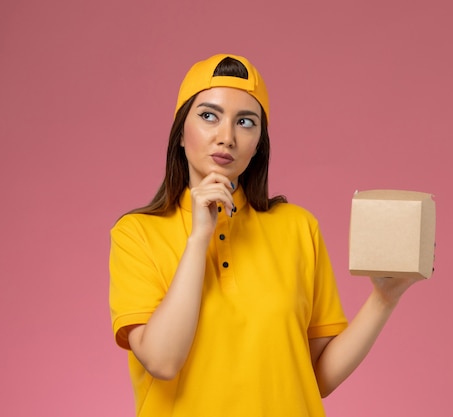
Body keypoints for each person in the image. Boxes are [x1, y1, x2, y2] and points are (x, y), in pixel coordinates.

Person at [109, 53, 423, 416]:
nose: (226, 137)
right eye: (209, 115)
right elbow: (162, 361)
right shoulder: (136, 234)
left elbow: (318, 376)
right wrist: (199, 238)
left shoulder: (297, 227)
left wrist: (384, 299)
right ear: (180, 132)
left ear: (258, 143)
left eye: (245, 122)